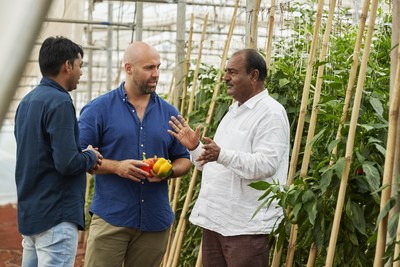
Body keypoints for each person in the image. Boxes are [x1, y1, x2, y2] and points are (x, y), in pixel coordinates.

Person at [168, 48, 290, 267]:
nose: (225, 78)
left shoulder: (270, 113)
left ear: (253, 76)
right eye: (226, 72)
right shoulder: (233, 111)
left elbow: (267, 164)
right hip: (217, 221)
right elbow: (215, 165)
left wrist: (222, 155)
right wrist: (195, 148)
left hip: (246, 227)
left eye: (232, 72)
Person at [79, 41, 192, 267]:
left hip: (154, 220)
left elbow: (184, 160)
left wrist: (168, 171)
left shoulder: (169, 113)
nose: (156, 74)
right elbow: (78, 157)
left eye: (158, 67)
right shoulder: (99, 109)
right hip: (112, 217)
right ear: (129, 68)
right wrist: (116, 167)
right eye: (149, 68)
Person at [14, 36, 103, 267]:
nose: (81, 72)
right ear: (67, 65)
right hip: (56, 216)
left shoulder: (26, 102)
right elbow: (67, 163)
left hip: (32, 214)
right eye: (80, 65)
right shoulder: (60, 101)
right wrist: (90, 155)